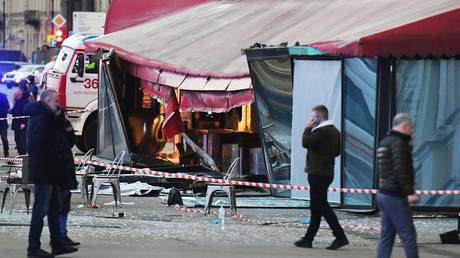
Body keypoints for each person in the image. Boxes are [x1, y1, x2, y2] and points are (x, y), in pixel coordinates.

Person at [25, 89, 78, 258]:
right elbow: (41, 146)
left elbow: (65, 142)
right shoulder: (41, 120)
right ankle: (33, 247)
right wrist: (56, 159)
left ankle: (57, 242)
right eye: (56, 102)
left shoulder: (51, 119)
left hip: (53, 172)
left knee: (55, 208)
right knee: (40, 210)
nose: (58, 105)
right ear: (48, 102)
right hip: (44, 171)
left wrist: (64, 123)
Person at [295, 105, 349, 250]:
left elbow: (305, 142)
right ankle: (308, 238)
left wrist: (307, 128)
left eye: (313, 116)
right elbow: (337, 152)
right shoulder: (335, 132)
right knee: (316, 207)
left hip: (317, 173)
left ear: (318, 117)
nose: (311, 119)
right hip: (327, 172)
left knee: (322, 206)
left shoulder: (320, 132)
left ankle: (340, 236)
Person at [376, 113, 419, 258]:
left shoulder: (385, 141)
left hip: (383, 193)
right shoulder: (399, 143)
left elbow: (386, 169)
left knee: (386, 235)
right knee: (408, 234)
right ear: (406, 126)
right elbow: (401, 170)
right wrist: (410, 192)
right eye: (411, 128)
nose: (411, 131)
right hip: (395, 194)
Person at [56, 108, 80, 246]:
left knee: (64, 204)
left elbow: (71, 143)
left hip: (66, 170)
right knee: (56, 205)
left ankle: (62, 233)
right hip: (57, 171)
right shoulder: (50, 128)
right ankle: (58, 235)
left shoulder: (63, 128)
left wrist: (69, 129)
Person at [10, 80, 30, 155]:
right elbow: (16, 108)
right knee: (17, 139)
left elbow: (26, 112)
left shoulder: (26, 100)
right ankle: (20, 154)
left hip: (22, 123)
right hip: (16, 122)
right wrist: (11, 110)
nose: (15, 95)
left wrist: (24, 122)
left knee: (22, 140)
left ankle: (23, 156)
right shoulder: (18, 99)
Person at [0, 92, 9, 157]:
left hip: (3, 121)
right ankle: (6, 154)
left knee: (4, 138)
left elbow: (7, 107)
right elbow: (7, 108)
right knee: (4, 138)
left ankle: (6, 153)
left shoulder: (3, 97)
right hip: (3, 121)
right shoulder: (4, 96)